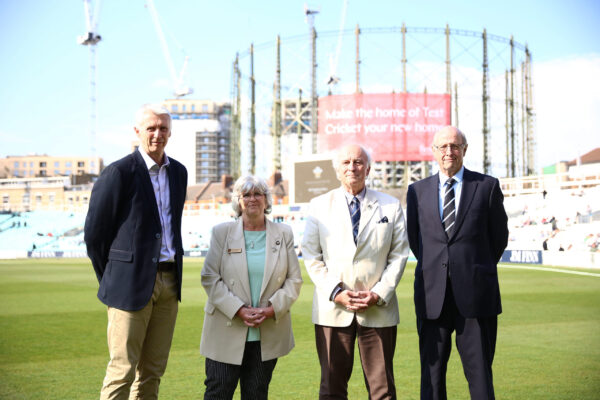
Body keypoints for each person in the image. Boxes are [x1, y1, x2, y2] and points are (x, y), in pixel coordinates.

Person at [84, 104, 188, 399]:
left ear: (170, 131)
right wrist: (114, 279)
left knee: (153, 372)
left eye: (163, 128)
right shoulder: (119, 172)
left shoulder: (179, 172)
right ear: (137, 131)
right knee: (122, 371)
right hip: (129, 285)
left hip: (169, 284)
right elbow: (95, 235)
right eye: (151, 128)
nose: (157, 134)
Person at [406, 126, 508, 400]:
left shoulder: (486, 186)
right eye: (442, 147)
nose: (448, 152)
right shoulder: (416, 191)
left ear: (464, 149)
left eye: (454, 146)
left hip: (476, 298)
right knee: (432, 377)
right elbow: (417, 241)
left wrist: (470, 269)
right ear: (433, 152)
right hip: (431, 298)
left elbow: (498, 238)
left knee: (480, 377)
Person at [302, 144, 409, 399]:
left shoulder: (391, 206)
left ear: (368, 169)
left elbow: (399, 256)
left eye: (359, 162)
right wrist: (336, 292)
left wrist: (378, 293)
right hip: (333, 310)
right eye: (347, 162)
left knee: (383, 390)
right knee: (331, 389)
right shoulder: (319, 206)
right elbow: (311, 256)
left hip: (378, 309)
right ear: (338, 169)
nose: (353, 167)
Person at [200, 175, 303, 400]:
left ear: (266, 200)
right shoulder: (222, 232)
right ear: (238, 201)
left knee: (256, 394)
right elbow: (209, 277)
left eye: (258, 194)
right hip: (225, 328)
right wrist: (238, 309)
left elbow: (294, 280)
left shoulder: (283, 233)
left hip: (266, 331)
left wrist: (270, 310)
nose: (252, 199)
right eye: (246, 194)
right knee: (218, 393)